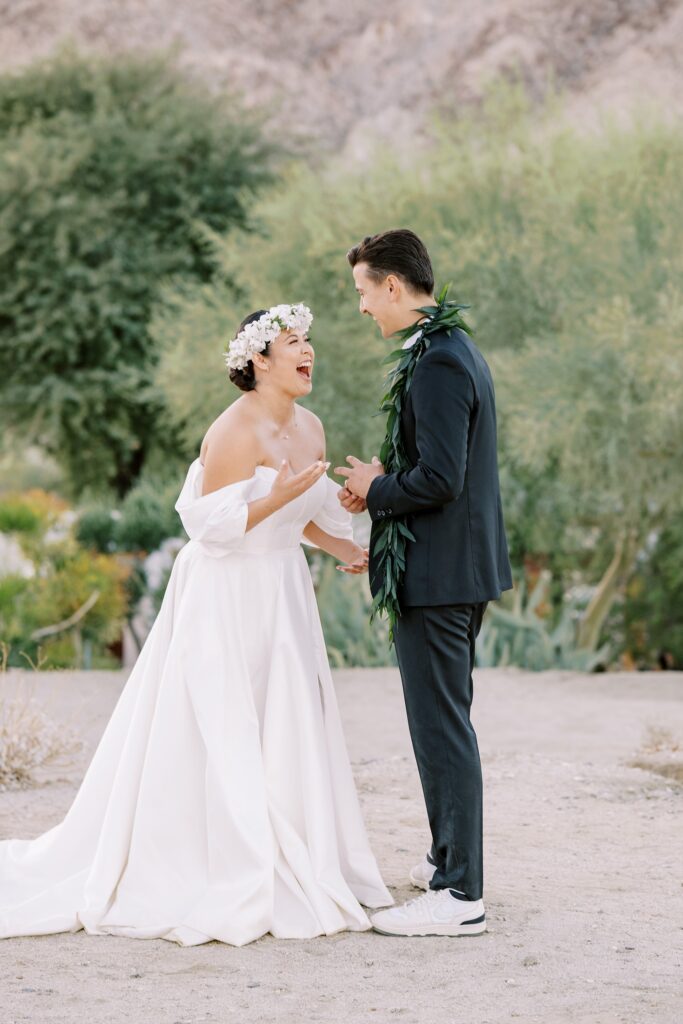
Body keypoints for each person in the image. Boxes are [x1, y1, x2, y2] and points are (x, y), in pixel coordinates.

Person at [0, 303, 392, 946]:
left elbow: (303, 520)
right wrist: (283, 495)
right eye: (294, 342)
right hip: (226, 590)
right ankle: (225, 862)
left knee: (283, 719)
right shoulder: (232, 432)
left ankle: (293, 851)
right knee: (223, 723)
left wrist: (348, 547)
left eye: (309, 341)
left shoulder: (313, 427)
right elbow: (212, 528)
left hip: (282, 590)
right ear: (259, 360)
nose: (308, 351)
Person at [336, 230, 512, 937]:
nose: (359, 308)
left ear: (392, 286)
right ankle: (446, 860)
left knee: (441, 730)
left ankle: (459, 894)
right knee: (443, 723)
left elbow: (440, 481)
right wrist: (381, 517)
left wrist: (377, 489)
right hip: (444, 569)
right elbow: (440, 473)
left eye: (361, 292)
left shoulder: (439, 362)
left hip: (440, 580)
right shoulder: (450, 350)